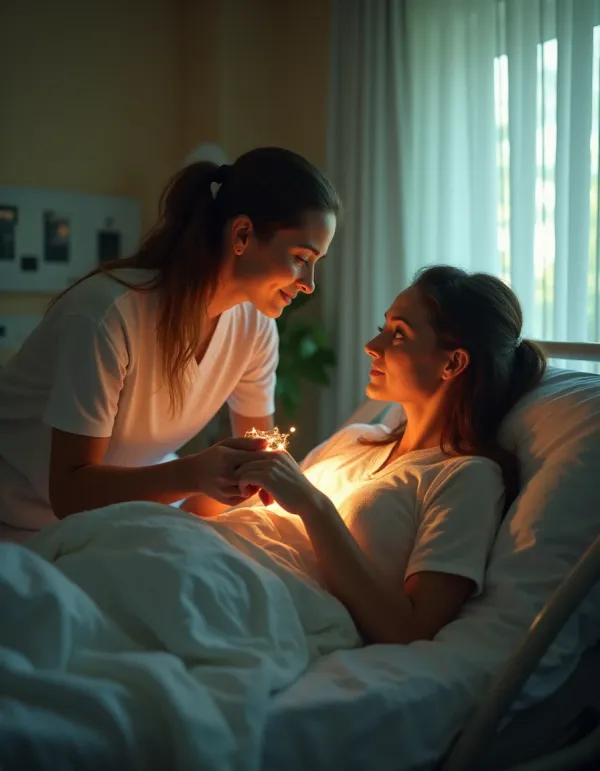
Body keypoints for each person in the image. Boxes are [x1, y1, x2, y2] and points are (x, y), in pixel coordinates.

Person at [0, 147, 340, 542]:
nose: (309, 283)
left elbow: (250, 469)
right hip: (19, 518)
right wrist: (194, 474)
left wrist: (245, 484)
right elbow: (70, 493)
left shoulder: (256, 330)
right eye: (301, 257)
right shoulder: (106, 316)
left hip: (120, 517)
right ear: (243, 234)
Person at [208, 265, 547, 645]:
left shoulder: (467, 478)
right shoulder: (355, 440)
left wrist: (311, 504)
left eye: (398, 334)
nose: (373, 346)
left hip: (249, 602)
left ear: (452, 363)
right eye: (382, 328)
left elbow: (410, 628)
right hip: (211, 557)